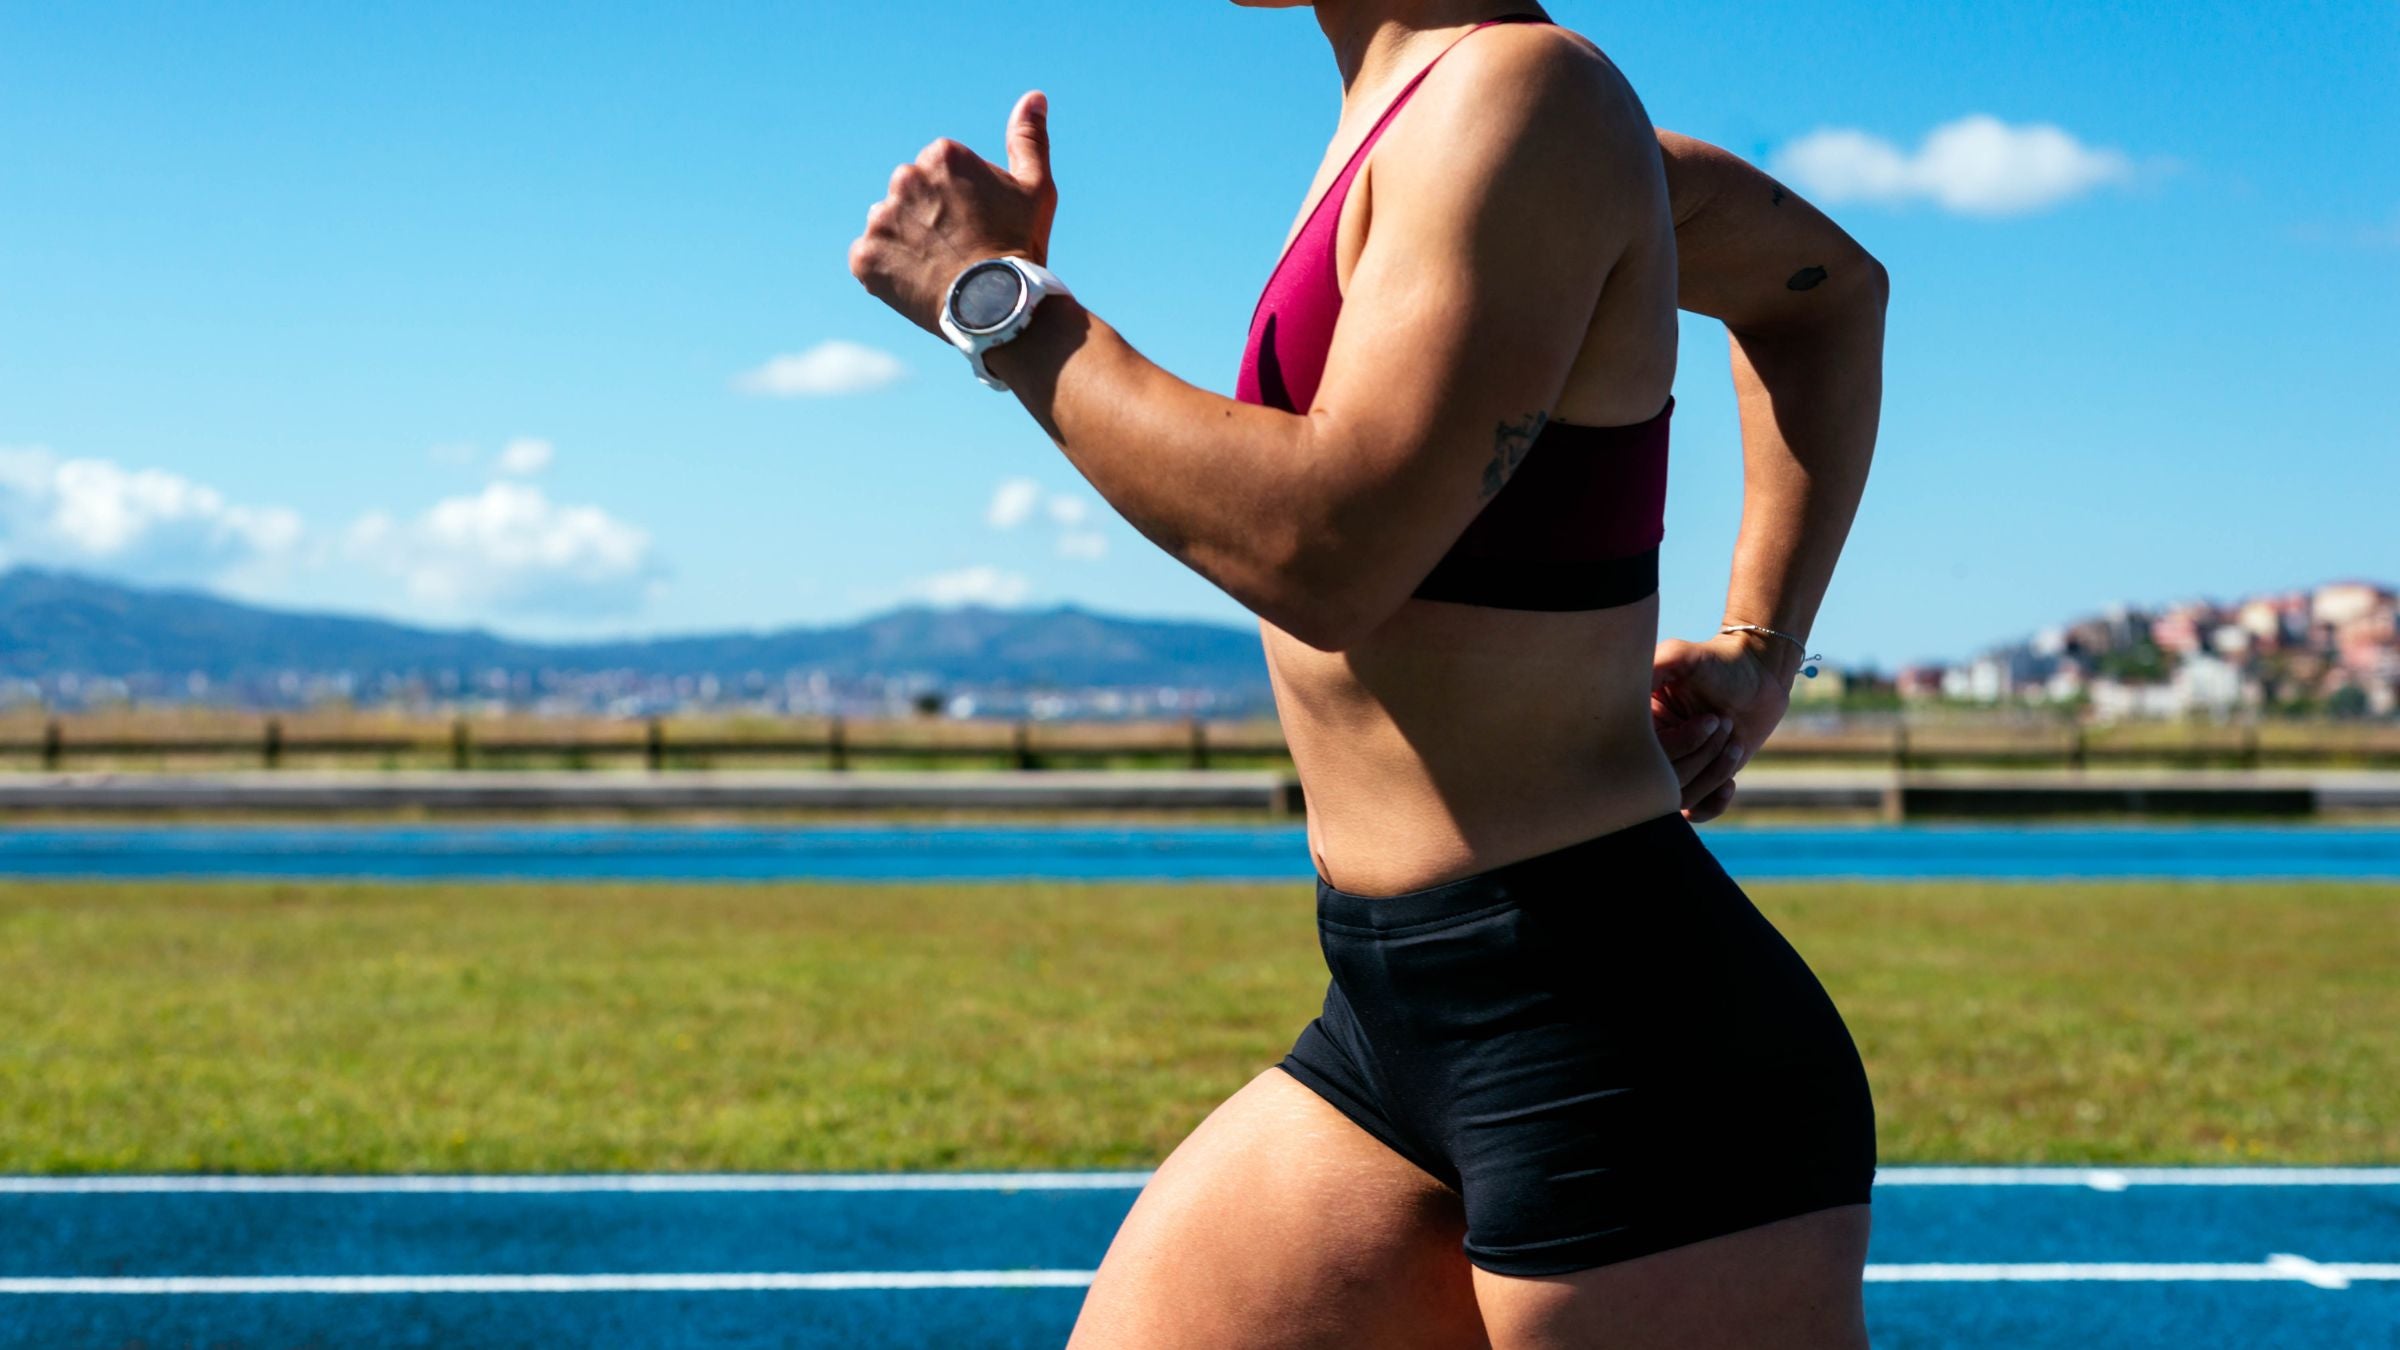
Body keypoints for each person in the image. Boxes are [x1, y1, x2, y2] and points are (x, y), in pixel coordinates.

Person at [849, 2, 1886, 1343]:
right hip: (1395, 1008)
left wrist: (1000, 305)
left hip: (1618, 1030)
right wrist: (1756, 649)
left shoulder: (1529, 98)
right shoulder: (1419, 123)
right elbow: (1828, 294)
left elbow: (1332, 551)